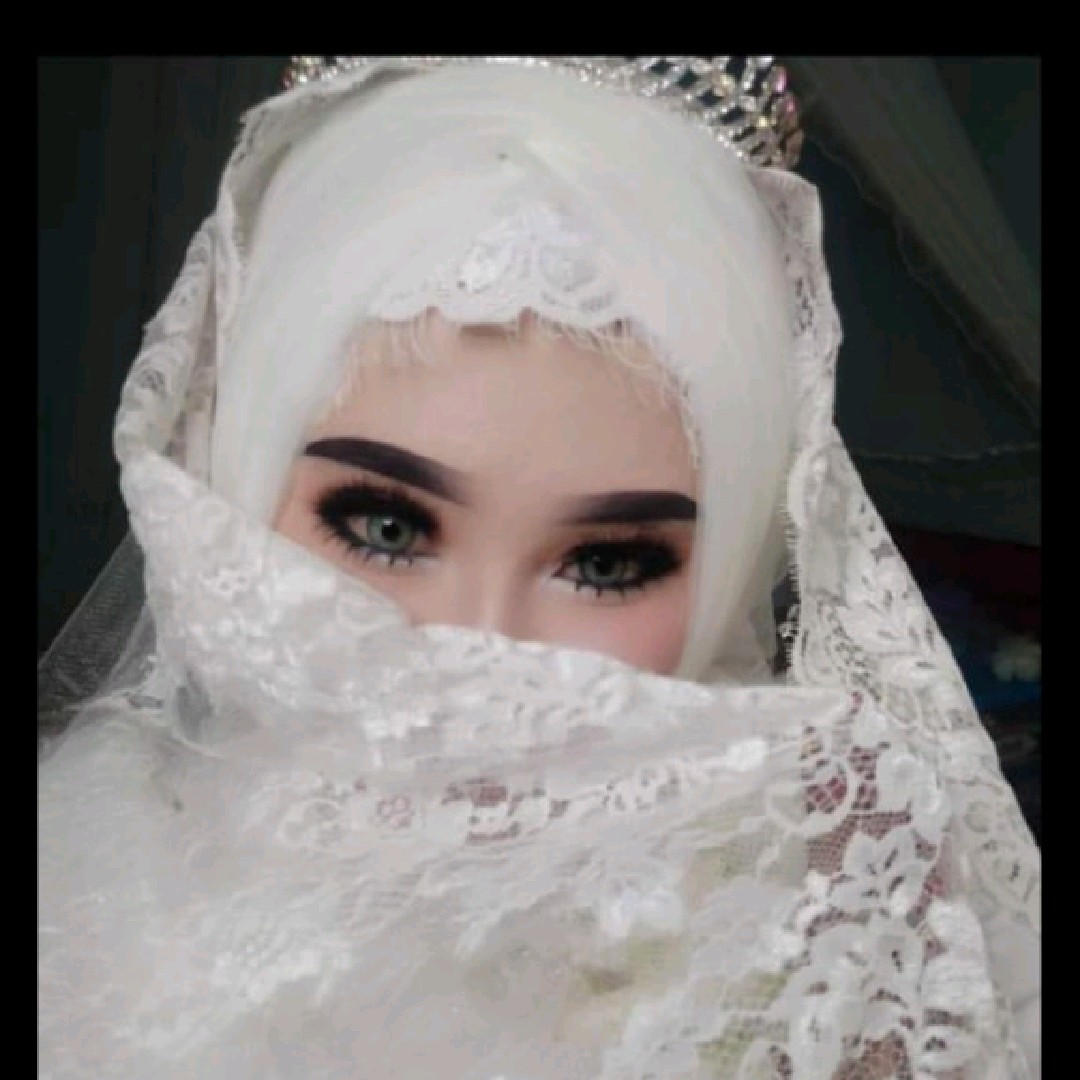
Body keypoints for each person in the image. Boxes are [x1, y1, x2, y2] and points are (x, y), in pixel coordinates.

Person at [38, 58, 1040, 1079]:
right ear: (229, 489)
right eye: (385, 527)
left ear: (734, 570)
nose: (483, 651)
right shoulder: (83, 899)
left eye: (606, 563)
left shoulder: (837, 941)